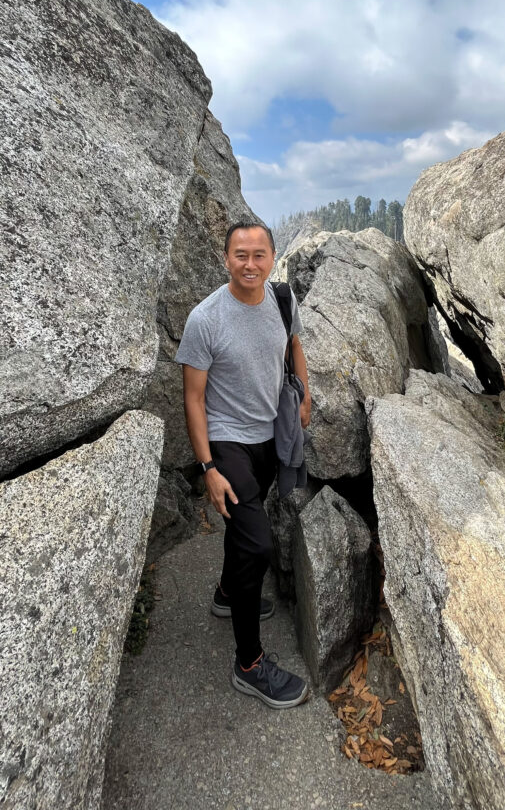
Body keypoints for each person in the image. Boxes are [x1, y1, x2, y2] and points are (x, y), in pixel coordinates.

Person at [175, 221, 311, 709]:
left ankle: (228, 594)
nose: (249, 264)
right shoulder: (206, 319)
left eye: (259, 255)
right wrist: (208, 466)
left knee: (242, 530)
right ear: (226, 258)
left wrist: (304, 393)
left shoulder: (281, 300)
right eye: (240, 255)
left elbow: (293, 344)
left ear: (272, 257)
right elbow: (192, 399)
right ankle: (249, 665)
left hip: (269, 435)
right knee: (256, 542)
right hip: (227, 442)